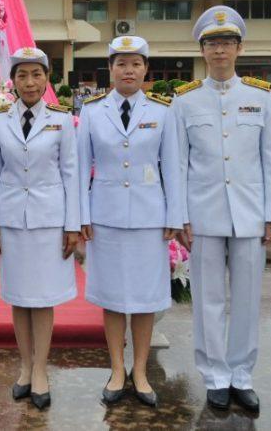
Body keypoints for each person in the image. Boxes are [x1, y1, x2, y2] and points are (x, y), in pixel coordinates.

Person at [171, 5, 271, 413]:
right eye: (212, 44)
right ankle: (215, 376)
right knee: (208, 298)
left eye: (227, 43)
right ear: (202, 50)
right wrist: (179, 215)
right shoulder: (184, 101)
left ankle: (242, 374)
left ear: (239, 48)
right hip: (202, 214)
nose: (220, 51)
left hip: (250, 213)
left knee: (248, 297)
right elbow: (178, 162)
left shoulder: (259, 96)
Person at [77, 36, 183, 407]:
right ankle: (117, 367)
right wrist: (80, 217)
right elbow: (79, 170)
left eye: (135, 64)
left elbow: (172, 167)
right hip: (104, 216)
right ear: (110, 69)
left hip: (148, 218)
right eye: (121, 64)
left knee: (144, 297)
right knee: (110, 296)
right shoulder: (91, 111)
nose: (128, 70)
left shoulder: (162, 111)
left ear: (145, 70)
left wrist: (175, 216)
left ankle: (139, 371)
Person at [0, 46, 80, 411]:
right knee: (19, 296)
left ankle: (40, 369)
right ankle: (25, 366)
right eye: (22, 75)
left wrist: (72, 225)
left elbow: (71, 173)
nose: (29, 82)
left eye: (36, 75)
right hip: (11, 218)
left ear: (47, 78)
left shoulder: (61, 120)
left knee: (42, 298)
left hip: (48, 220)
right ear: (12, 81)